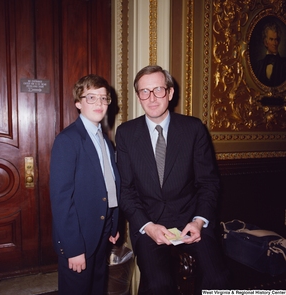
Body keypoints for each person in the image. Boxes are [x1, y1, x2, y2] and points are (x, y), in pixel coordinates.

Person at [115, 65, 230, 295]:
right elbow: (126, 191)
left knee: (219, 278)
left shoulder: (193, 129)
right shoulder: (126, 133)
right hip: (149, 223)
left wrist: (199, 221)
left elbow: (209, 183)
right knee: (158, 285)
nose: (152, 98)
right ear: (138, 96)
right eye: (144, 92)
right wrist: (147, 226)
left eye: (158, 89)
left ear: (170, 92)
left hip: (191, 220)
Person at [50, 74, 120, 295]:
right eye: (91, 97)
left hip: (101, 234)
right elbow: (61, 200)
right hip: (78, 240)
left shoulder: (105, 141)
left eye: (103, 98)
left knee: (97, 289)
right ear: (78, 103)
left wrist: (113, 224)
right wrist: (73, 249)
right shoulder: (68, 140)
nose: (99, 103)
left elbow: (109, 184)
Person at [254, 22, 286, 87]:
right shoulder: (259, 65)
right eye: (271, 39)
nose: (275, 43)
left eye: (276, 39)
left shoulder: (284, 63)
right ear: (266, 42)